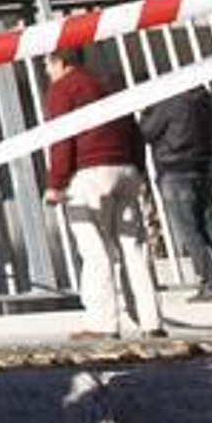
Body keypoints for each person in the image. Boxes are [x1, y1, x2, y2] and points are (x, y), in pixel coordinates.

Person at [41, 51, 165, 342]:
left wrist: (55, 183)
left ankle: (102, 324)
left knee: (95, 251)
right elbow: (135, 133)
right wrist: (137, 171)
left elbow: (63, 137)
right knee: (134, 250)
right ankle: (151, 321)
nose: (46, 71)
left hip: (89, 175)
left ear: (60, 61)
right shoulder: (107, 86)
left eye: (46, 64)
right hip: (124, 170)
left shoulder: (63, 88)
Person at [141, 87, 212, 303]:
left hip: (176, 172)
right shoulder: (203, 101)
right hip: (201, 170)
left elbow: (147, 131)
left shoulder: (169, 101)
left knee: (191, 234)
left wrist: (146, 111)